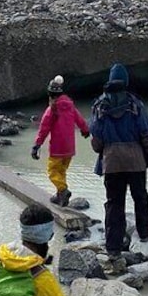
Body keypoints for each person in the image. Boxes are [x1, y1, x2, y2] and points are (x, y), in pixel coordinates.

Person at [89, 63, 148, 260]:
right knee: (140, 197)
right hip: (136, 162)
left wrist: (105, 149)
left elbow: (96, 141)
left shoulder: (99, 106)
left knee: (114, 203)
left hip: (111, 163)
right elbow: (147, 134)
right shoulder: (135, 105)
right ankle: (145, 233)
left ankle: (113, 246)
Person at [30, 75, 90, 207]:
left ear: (50, 94)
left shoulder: (52, 109)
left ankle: (63, 191)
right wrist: (85, 130)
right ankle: (60, 197)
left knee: (52, 171)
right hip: (69, 148)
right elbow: (80, 119)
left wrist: (37, 145)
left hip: (57, 148)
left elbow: (44, 129)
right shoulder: (70, 105)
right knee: (62, 171)